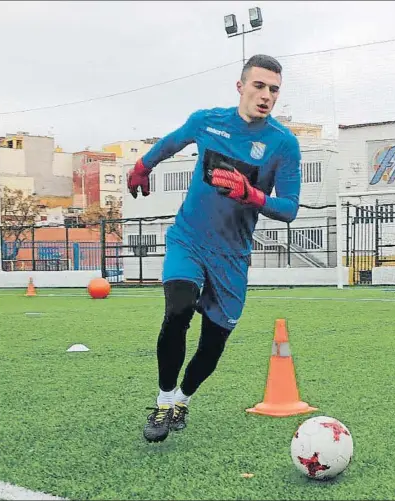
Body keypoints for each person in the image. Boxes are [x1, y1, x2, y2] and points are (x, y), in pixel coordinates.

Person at [127, 54, 302, 443]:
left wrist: (253, 195)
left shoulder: (283, 145)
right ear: (240, 86)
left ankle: (183, 400)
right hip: (188, 238)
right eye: (259, 86)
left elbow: (289, 207)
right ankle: (162, 401)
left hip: (232, 257)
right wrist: (143, 165)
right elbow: (173, 142)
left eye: (274, 89)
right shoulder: (208, 120)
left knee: (212, 344)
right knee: (177, 310)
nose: (266, 95)